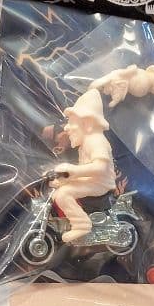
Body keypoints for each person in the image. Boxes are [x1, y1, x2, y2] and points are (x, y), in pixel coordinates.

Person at [50, 89, 116, 243]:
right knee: (58, 191)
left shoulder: (96, 140)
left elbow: (100, 168)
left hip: (101, 183)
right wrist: (64, 178)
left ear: (87, 123)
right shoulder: (86, 142)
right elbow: (85, 170)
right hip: (93, 180)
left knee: (63, 194)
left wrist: (74, 171)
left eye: (71, 122)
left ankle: (81, 225)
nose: (66, 128)